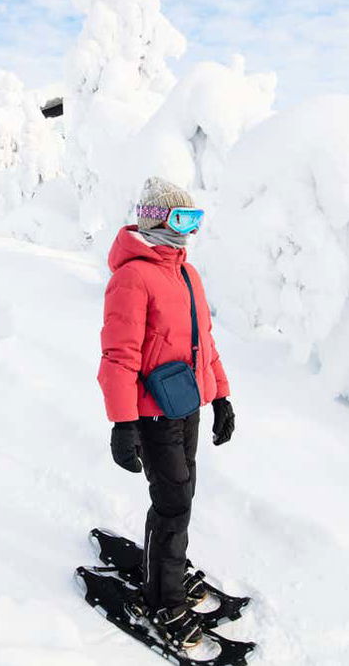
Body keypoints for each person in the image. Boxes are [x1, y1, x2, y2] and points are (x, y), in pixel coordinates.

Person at [97, 177, 237, 650]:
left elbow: (205, 343)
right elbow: (119, 356)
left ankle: (168, 567)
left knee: (183, 493)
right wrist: (123, 423)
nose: (189, 230)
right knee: (173, 501)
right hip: (152, 412)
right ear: (155, 219)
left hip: (187, 404)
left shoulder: (187, 273)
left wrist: (220, 396)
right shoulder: (133, 276)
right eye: (181, 219)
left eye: (195, 219)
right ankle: (164, 597)